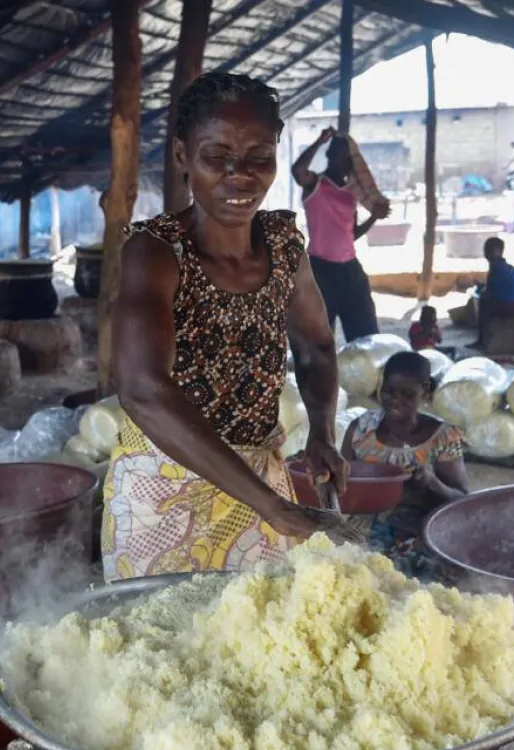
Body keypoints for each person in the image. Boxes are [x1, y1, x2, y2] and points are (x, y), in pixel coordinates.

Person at [106, 71, 354, 583]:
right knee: (163, 644)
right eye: (216, 157)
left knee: (259, 640)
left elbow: (316, 346)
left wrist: (323, 434)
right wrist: (272, 506)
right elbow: (142, 390)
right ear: (182, 157)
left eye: (258, 158)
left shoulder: (285, 243)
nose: (240, 176)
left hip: (261, 477)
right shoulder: (155, 252)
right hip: (163, 483)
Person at [341, 352, 469, 580]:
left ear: (425, 390)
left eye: (407, 394)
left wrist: (432, 482)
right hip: (366, 531)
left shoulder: (442, 438)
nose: (395, 399)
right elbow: (341, 486)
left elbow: (462, 502)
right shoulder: (361, 430)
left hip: (420, 532)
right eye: (389, 390)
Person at [291, 127, 391, 342]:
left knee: (366, 337)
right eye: (338, 153)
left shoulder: (350, 193)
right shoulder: (315, 184)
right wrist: (320, 140)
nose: (343, 160)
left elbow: (351, 233)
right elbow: (298, 170)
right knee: (318, 338)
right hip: (320, 271)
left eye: (347, 157)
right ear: (328, 155)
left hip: (351, 270)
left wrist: (374, 216)